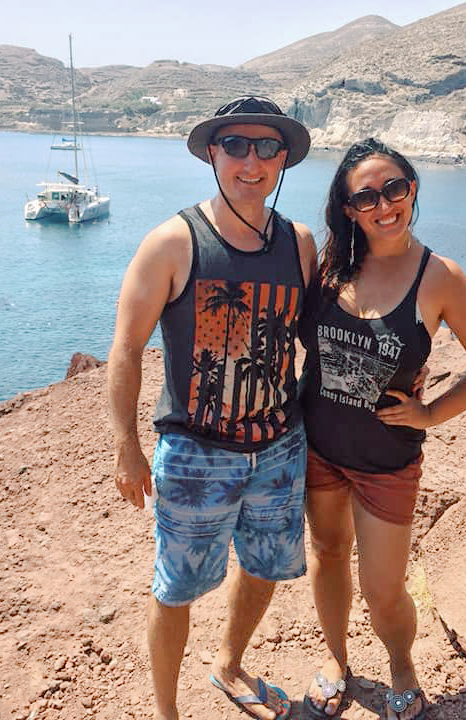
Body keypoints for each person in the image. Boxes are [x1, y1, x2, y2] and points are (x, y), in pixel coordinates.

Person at [107, 96, 317, 720]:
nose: (251, 162)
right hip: (196, 453)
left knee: (265, 568)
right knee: (175, 591)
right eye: (237, 146)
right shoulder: (173, 243)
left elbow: (312, 337)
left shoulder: (300, 243)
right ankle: (168, 712)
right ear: (212, 154)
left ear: (283, 158)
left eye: (266, 148)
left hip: (280, 449)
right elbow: (124, 349)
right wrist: (125, 444)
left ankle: (228, 665)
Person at [298, 138, 466, 720]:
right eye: (366, 196)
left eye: (395, 188)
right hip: (318, 448)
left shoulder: (439, 277)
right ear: (348, 209)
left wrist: (431, 413)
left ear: (412, 188)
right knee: (327, 551)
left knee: (384, 588)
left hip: (386, 461)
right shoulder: (329, 267)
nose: (384, 205)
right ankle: (336, 660)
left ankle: (402, 669)